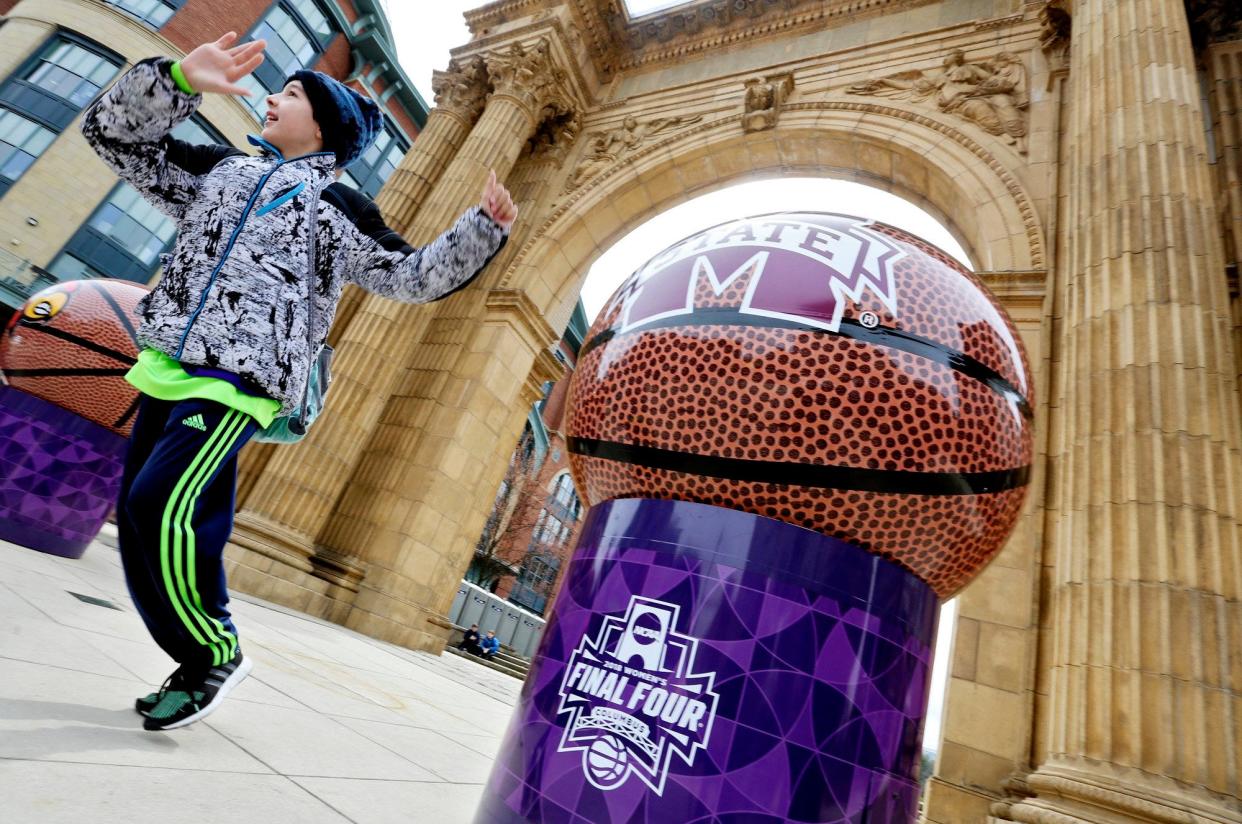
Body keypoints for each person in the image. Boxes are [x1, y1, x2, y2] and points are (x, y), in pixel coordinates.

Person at [80, 32, 517, 731]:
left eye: (291, 94)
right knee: (159, 521)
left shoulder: (338, 208)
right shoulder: (218, 171)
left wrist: (480, 231)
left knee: (157, 504)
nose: (273, 98)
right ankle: (203, 653)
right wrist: (177, 82)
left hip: (239, 379)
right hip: (169, 363)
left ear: (324, 125)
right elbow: (115, 141)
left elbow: (407, 275)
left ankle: (211, 651)